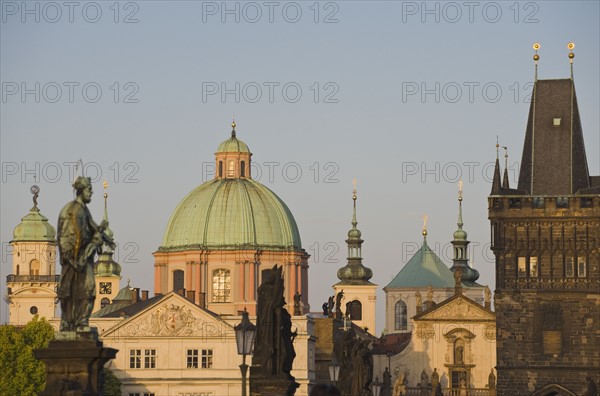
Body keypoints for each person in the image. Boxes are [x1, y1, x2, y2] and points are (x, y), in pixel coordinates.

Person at [57, 177, 113, 332]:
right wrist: (71, 258)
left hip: (85, 258)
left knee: (88, 290)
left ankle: (81, 322)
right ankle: (68, 323)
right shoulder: (71, 210)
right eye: (89, 189)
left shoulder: (84, 211)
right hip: (73, 259)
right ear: (81, 190)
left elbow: (91, 230)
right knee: (69, 291)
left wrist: (100, 235)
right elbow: (64, 237)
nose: (92, 192)